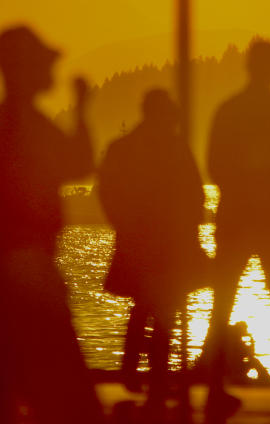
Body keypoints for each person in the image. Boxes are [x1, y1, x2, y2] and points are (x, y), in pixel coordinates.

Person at [0, 25, 104, 424]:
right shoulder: (26, 127)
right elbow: (78, 164)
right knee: (69, 397)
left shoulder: (8, 126)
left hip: (9, 275)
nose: (52, 70)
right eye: (44, 63)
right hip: (27, 276)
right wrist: (82, 110)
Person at [203, 40, 270, 420]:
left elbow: (215, 165)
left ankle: (215, 385)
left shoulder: (229, 111)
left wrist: (242, 186)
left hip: (237, 217)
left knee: (222, 302)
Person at [98, 88, 207, 413]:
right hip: (165, 244)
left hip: (144, 242)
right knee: (160, 309)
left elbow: (107, 193)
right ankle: (150, 375)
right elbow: (195, 192)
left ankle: (135, 368)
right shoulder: (174, 147)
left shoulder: (123, 148)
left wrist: (123, 225)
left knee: (148, 304)